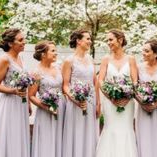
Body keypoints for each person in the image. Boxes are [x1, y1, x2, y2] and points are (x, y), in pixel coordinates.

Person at [96, 29, 138, 157]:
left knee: (126, 129)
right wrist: (111, 97)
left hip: (127, 103)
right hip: (110, 102)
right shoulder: (105, 59)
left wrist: (128, 96)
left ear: (120, 40)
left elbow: (135, 81)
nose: (108, 42)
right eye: (107, 40)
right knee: (110, 128)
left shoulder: (131, 59)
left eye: (110, 39)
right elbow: (100, 80)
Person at [0, 28, 30, 157]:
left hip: (21, 104)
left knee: (19, 134)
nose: (24, 42)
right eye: (21, 40)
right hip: (9, 104)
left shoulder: (21, 58)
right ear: (11, 43)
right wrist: (14, 91)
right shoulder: (4, 59)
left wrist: (27, 103)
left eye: (24, 39)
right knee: (10, 133)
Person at [62, 29, 100, 157]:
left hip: (91, 101)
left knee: (90, 132)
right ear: (78, 41)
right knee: (77, 132)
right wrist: (75, 99)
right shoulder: (69, 61)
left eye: (90, 39)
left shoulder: (90, 59)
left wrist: (98, 103)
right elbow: (65, 85)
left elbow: (95, 81)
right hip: (75, 102)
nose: (90, 41)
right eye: (87, 39)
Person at [29, 41, 66, 157]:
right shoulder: (36, 72)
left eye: (56, 50)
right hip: (46, 111)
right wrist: (46, 107)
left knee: (61, 138)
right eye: (53, 51)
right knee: (47, 139)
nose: (56, 53)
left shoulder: (59, 67)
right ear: (43, 54)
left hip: (62, 108)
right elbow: (31, 96)